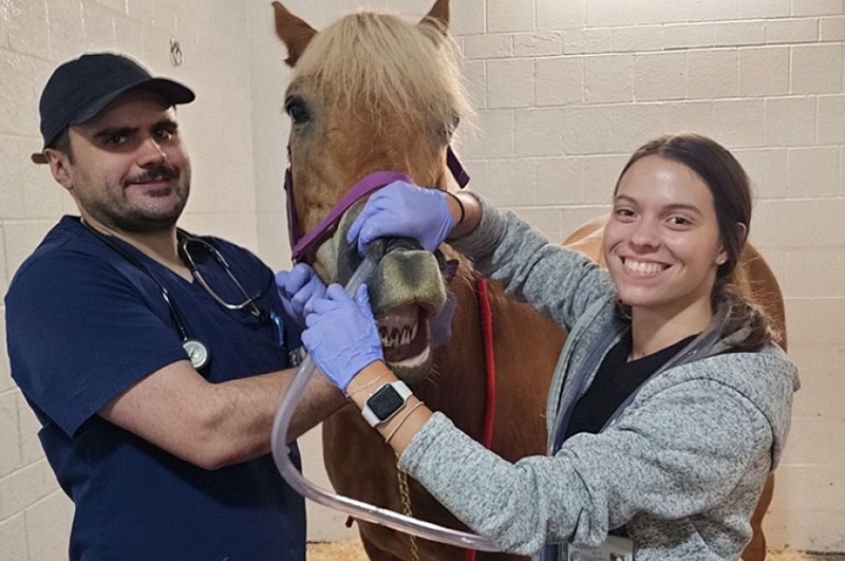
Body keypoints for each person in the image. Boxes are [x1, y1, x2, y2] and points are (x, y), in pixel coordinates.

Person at [294, 133, 800, 560]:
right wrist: (454, 210)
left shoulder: (722, 407)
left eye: (678, 220)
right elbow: (525, 258)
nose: (641, 238)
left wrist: (367, 378)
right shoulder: (609, 317)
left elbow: (530, 508)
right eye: (627, 212)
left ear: (726, 245)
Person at [4, 52, 347, 560]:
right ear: (61, 167)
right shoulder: (59, 284)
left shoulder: (230, 265)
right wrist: (358, 361)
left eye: (163, 131)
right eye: (117, 138)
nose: (152, 154)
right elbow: (208, 430)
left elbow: (303, 374)